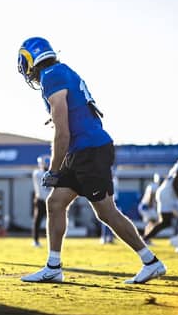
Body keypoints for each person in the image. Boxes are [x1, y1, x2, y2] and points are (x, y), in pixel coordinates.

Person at [16, 36, 165, 284]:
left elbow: (62, 132)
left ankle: (151, 262)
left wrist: (53, 170)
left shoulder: (51, 76)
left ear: (31, 58)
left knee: (106, 213)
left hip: (89, 150)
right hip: (83, 149)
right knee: (55, 203)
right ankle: (53, 266)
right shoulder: (61, 71)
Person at [32, 155, 52, 247]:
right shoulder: (37, 173)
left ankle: (52, 241)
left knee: (52, 222)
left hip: (50, 201)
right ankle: (35, 241)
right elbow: (42, 173)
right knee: (37, 222)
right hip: (40, 201)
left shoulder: (51, 173)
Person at [138, 173, 162, 242]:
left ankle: (146, 237)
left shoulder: (152, 185)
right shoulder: (154, 186)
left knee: (152, 222)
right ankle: (145, 237)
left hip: (146, 206)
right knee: (154, 221)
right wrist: (151, 206)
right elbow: (151, 196)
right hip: (146, 207)